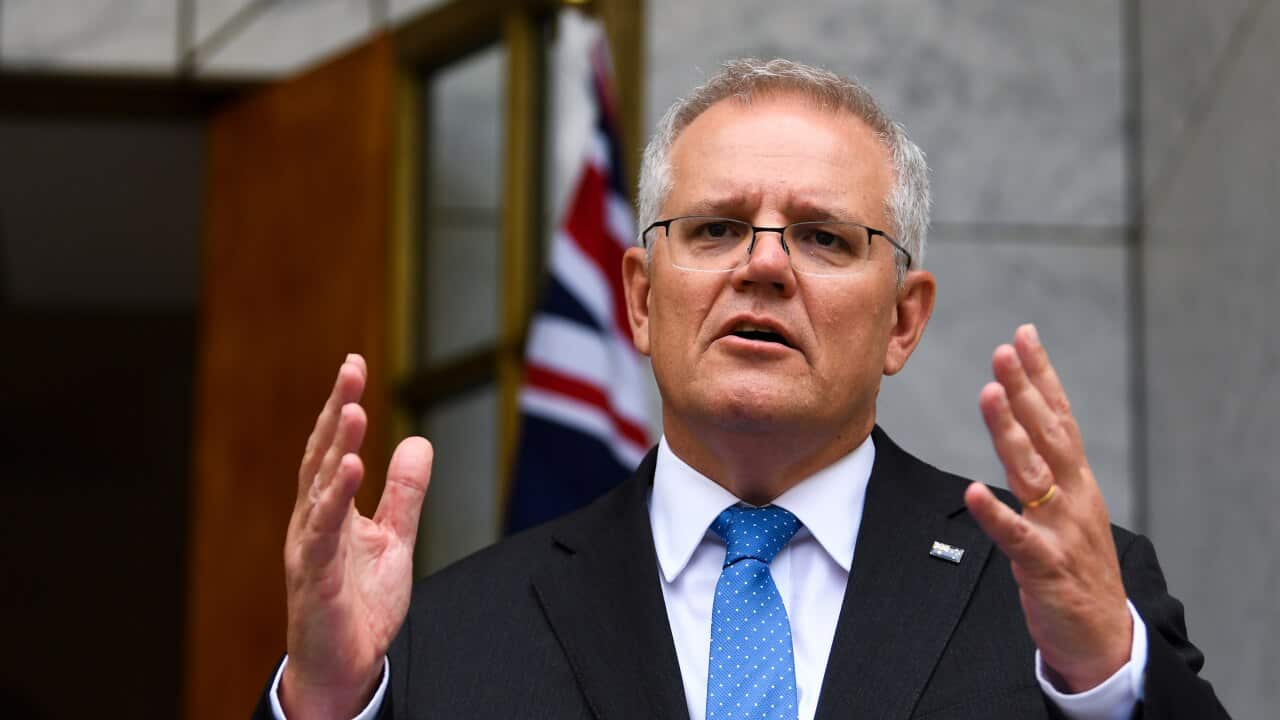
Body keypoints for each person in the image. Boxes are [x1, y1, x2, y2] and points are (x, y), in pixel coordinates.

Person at [256, 59, 1226, 719]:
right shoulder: (447, 639)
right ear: (639, 300)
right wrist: (325, 702)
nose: (762, 268)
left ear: (901, 319)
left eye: (821, 237)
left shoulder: (1062, 604)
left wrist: (1104, 675)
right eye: (716, 228)